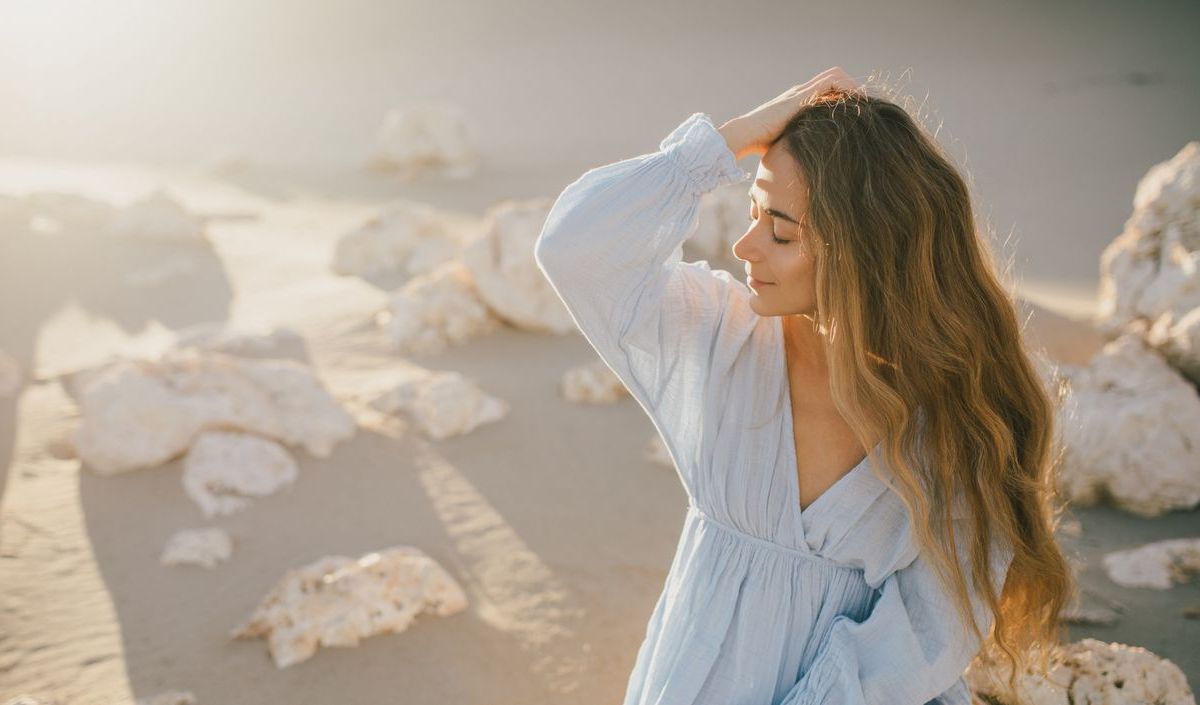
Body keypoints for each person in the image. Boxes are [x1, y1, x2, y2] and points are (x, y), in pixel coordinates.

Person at [533, 67, 1073, 705]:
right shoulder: (719, 338)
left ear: (867, 255)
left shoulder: (959, 421)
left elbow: (927, 635)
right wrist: (721, 144)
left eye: (782, 231)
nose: (744, 245)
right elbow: (575, 247)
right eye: (753, 211)